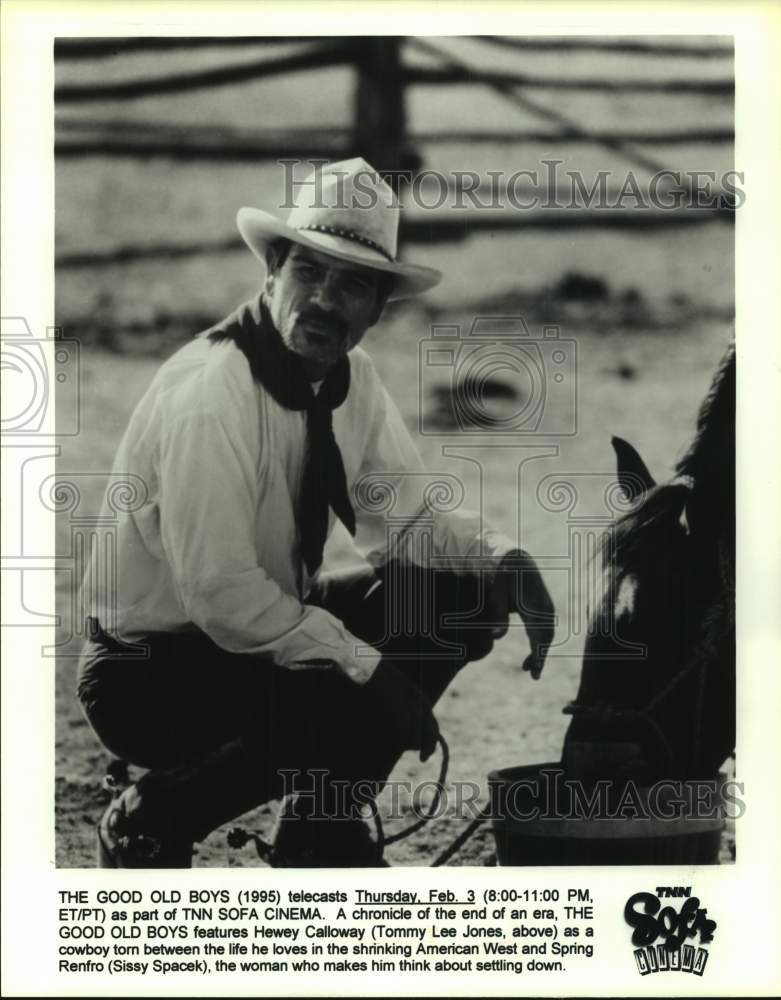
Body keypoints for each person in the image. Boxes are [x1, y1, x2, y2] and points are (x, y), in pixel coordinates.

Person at [77, 158, 555, 868]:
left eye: (353, 283)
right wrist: (368, 671)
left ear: (377, 307)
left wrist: (502, 559)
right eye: (309, 272)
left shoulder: (347, 379)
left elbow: (408, 521)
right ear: (272, 271)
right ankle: (155, 816)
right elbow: (221, 594)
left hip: (243, 642)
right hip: (150, 673)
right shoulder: (212, 396)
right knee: (347, 689)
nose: (325, 301)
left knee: (452, 596)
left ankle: (319, 824)